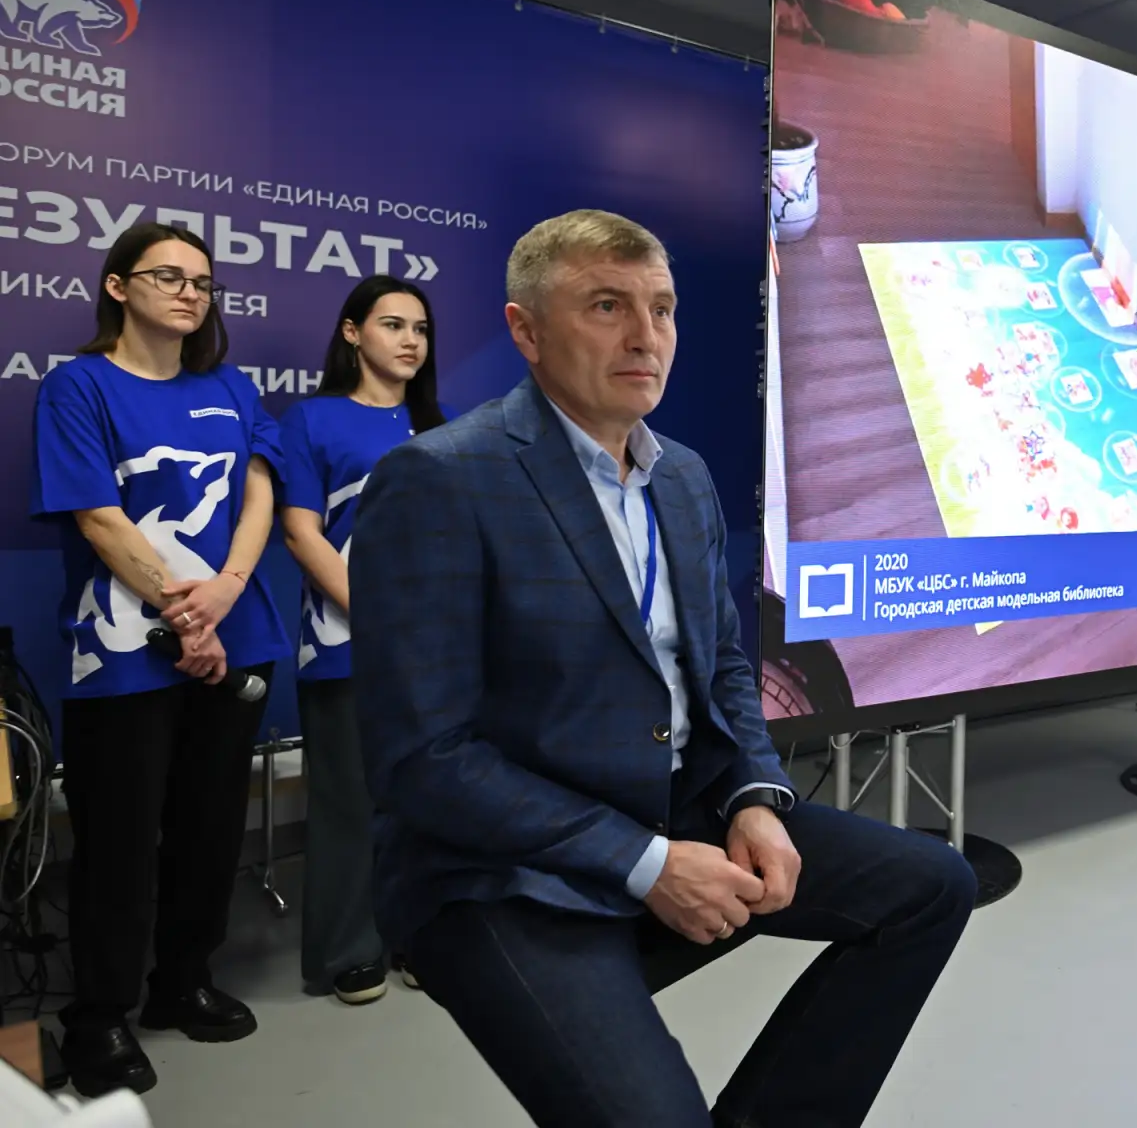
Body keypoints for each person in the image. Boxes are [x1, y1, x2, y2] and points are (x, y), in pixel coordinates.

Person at [351, 210, 976, 1128]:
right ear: (526, 330)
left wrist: (754, 798)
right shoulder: (440, 479)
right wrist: (647, 865)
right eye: (607, 306)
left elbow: (725, 670)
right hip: (500, 870)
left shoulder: (681, 476)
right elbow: (425, 761)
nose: (646, 336)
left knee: (932, 885)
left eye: (662, 308)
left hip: (676, 806)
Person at [30, 223, 289, 1098]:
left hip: (236, 631)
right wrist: (186, 613)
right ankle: (99, 1015)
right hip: (123, 654)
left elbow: (259, 490)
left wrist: (226, 592)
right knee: (117, 839)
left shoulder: (230, 387)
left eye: (203, 283)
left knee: (209, 829)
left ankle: (182, 982)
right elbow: (98, 516)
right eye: (169, 276)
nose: (190, 293)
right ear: (117, 286)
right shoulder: (78, 386)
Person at [279, 276, 448, 1006]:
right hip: (345, 641)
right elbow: (300, 531)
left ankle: (419, 935)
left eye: (420, 328)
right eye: (392, 325)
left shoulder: (441, 427)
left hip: (435, 651)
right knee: (350, 802)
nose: (410, 340)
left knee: (426, 801)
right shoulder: (312, 420)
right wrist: (379, 616)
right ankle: (351, 950)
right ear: (352, 333)